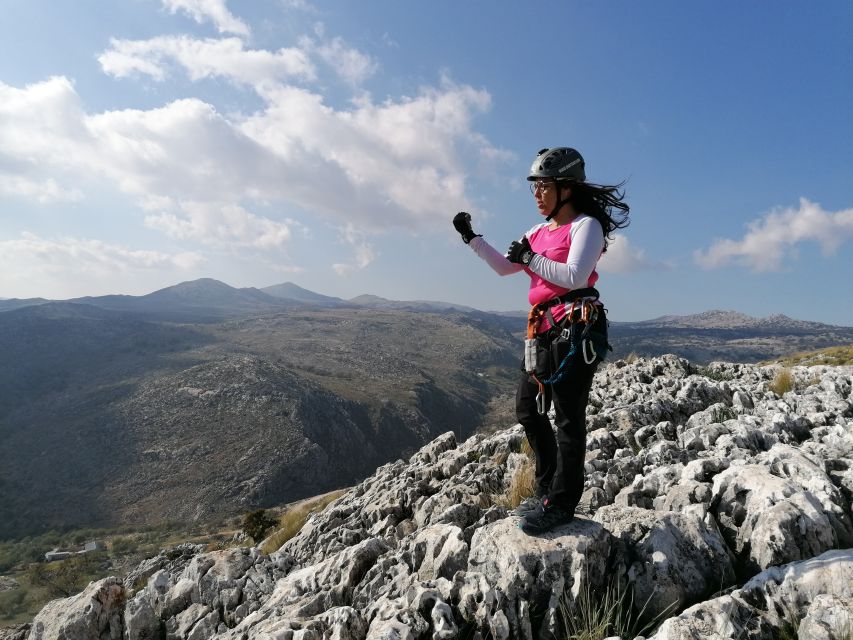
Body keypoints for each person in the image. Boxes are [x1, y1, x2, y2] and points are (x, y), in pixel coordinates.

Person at [452, 147, 629, 534]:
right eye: (534, 188)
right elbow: (504, 266)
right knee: (527, 410)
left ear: (567, 188)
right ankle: (548, 489)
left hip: (574, 328)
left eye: (544, 187)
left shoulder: (586, 226)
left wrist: (531, 260)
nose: (537, 195)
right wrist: (472, 239)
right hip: (543, 331)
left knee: (568, 418)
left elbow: (577, 276)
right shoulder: (537, 232)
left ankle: (562, 503)